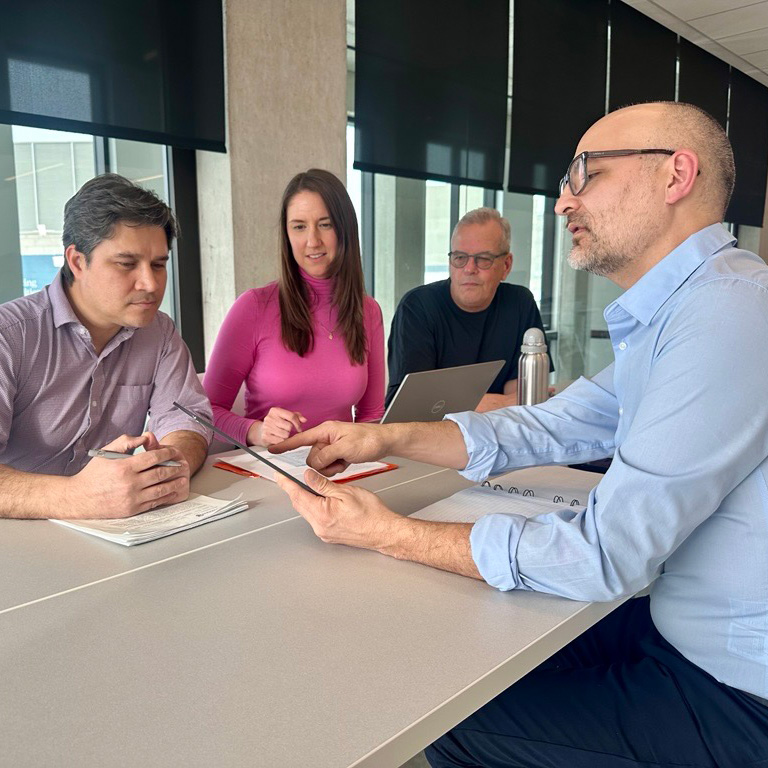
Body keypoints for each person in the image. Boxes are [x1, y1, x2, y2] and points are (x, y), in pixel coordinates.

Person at [271, 102, 768, 766]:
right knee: (467, 661)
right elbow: (552, 423)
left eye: (584, 172)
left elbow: (605, 556)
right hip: (675, 630)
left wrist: (388, 532)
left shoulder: (727, 316)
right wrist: (387, 440)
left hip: (734, 692)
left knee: (437, 717)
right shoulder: (690, 309)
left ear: (676, 175)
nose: (563, 200)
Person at [0, 174, 212, 520]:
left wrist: (167, 467)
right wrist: (75, 497)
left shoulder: (158, 331)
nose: (150, 283)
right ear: (78, 262)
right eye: (127, 264)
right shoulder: (9, 336)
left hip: (122, 528)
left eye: (159, 265)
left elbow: (187, 418)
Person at [204, 168, 385, 446]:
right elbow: (204, 412)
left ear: (345, 228)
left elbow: (371, 415)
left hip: (341, 470)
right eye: (299, 226)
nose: (313, 241)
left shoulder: (368, 311)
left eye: (325, 224)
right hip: (270, 470)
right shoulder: (253, 307)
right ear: (287, 234)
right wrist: (256, 431)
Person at [386, 207, 549, 412]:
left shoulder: (520, 303)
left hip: (500, 435)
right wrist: (503, 402)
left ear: (506, 266)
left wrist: (454, 403)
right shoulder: (418, 307)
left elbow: (525, 397)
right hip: (434, 440)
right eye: (460, 257)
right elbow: (415, 408)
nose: (469, 268)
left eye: (483, 259)